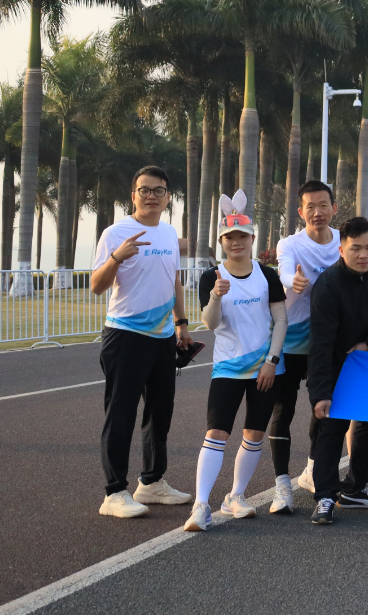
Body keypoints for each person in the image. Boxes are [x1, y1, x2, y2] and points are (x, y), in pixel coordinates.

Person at [92, 166, 194, 518]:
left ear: (168, 198)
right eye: (145, 190)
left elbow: (174, 279)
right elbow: (97, 286)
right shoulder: (115, 233)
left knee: (160, 412)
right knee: (120, 413)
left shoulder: (168, 233)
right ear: (133, 195)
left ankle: (151, 482)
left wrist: (181, 324)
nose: (152, 196)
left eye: (159, 190)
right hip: (125, 336)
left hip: (163, 338)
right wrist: (117, 257)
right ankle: (114, 492)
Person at [185, 192, 288, 531]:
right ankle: (201, 505)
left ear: (252, 239)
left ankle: (235, 496)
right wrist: (216, 296)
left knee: (254, 433)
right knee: (216, 431)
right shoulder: (212, 277)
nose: (237, 242)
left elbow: (281, 320)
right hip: (228, 367)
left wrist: (272, 361)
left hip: (265, 367)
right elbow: (210, 323)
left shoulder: (267, 275)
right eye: (230, 237)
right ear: (222, 242)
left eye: (243, 236)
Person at [306, 216, 368, 525]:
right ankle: (325, 497)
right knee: (331, 426)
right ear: (341, 250)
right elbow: (320, 343)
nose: (363, 255)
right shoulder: (328, 285)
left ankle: (355, 487)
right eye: (355, 249)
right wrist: (320, 394)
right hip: (337, 362)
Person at [271, 179, 343, 508]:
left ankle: (313, 468)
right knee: (282, 410)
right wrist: (293, 280)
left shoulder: (344, 241)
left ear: (334, 208)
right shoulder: (289, 244)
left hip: (324, 342)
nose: (317, 212)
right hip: (289, 339)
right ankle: (281, 485)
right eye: (310, 207)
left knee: (324, 406)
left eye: (323, 205)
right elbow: (285, 271)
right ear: (301, 212)